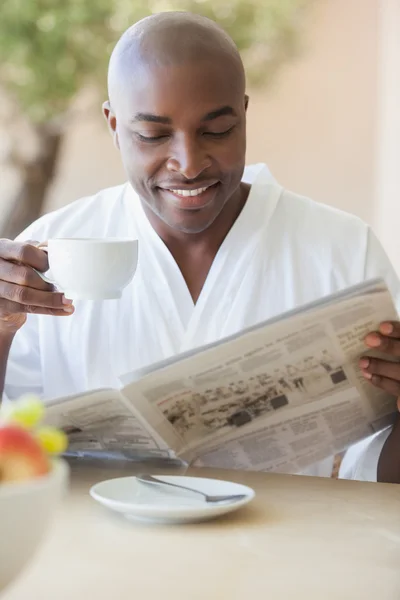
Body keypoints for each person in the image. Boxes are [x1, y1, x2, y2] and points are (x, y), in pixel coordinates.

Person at [1, 11, 400, 482]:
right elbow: (13, 462)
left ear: (244, 114)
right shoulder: (49, 256)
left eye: (217, 131)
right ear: (113, 124)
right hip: (95, 552)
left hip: (286, 552)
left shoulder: (342, 251)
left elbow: (375, 479)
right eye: (152, 135)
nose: (188, 165)